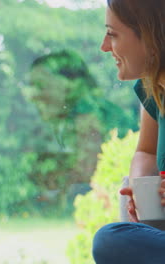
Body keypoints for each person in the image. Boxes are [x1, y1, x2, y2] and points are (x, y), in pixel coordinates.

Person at [92, 0, 165, 263]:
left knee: (111, 241)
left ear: (151, 37)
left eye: (112, 34)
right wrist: (138, 189)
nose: (104, 46)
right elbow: (146, 151)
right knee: (115, 239)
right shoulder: (153, 88)